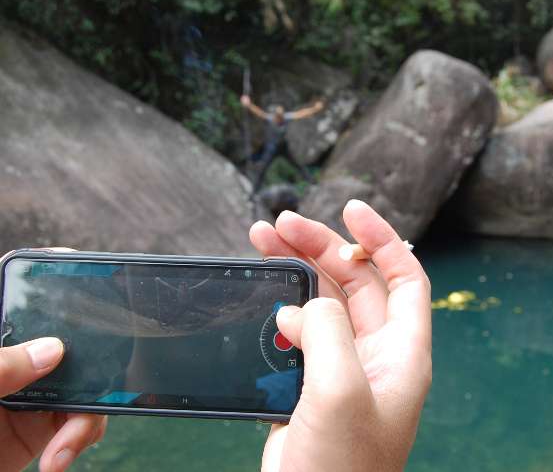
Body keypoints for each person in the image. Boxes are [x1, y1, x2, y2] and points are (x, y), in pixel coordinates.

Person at [0, 200, 432, 472]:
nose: (178, 298)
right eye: (150, 290)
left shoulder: (281, 390)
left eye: (201, 295)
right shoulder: (281, 391)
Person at [240, 94, 323, 192]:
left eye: (280, 116)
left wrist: (315, 109)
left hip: (283, 146)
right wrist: (248, 104)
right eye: (277, 116)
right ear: (274, 115)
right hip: (272, 146)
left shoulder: (285, 118)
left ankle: (312, 182)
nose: (279, 119)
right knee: (262, 169)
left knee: (297, 164)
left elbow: (301, 114)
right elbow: (259, 113)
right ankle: (254, 192)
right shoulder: (270, 119)